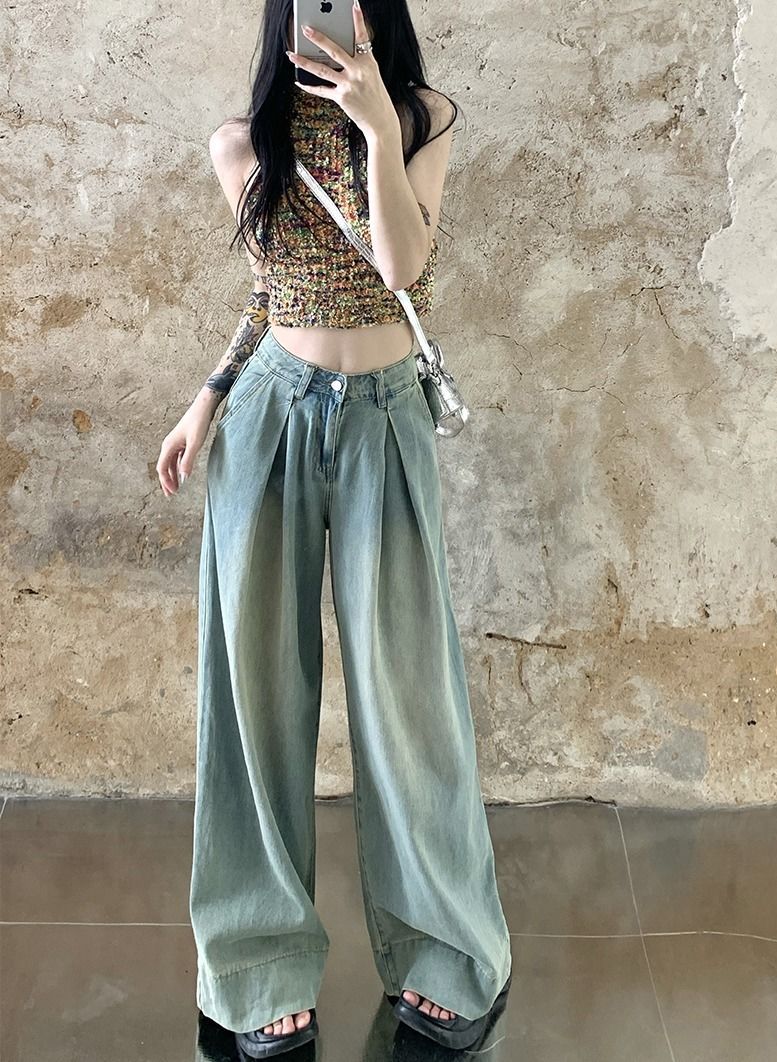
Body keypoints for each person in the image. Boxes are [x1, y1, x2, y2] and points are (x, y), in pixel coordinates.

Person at [156, 0, 512, 1055]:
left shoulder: (422, 116)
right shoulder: (241, 143)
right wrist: (207, 399)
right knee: (253, 695)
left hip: (383, 420)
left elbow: (401, 270)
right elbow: (275, 290)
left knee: (409, 697)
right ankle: (255, 963)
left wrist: (377, 130)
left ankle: (448, 955)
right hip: (269, 415)